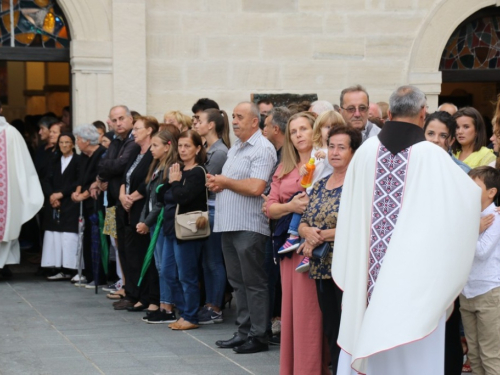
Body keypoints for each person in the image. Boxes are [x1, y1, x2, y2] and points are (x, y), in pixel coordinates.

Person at [333, 85, 481, 375]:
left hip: (367, 279)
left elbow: (349, 216)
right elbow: (468, 201)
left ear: (389, 113)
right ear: (423, 113)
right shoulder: (434, 157)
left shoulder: (364, 154)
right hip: (417, 281)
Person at [208, 101, 276, 354]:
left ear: (254, 122)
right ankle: (244, 331)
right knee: (237, 282)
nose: (234, 121)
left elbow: (256, 187)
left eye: (239, 117)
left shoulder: (262, 148)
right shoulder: (236, 147)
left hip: (249, 225)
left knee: (254, 282)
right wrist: (218, 184)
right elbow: (234, 183)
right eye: (233, 117)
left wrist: (224, 181)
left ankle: (259, 335)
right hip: (229, 224)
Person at [266, 111, 330, 374]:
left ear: (313, 131)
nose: (299, 135)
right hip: (287, 248)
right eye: (294, 131)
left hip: (313, 246)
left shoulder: (324, 162)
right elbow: (269, 208)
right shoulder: (284, 167)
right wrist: (289, 205)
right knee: (291, 311)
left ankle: (311, 367)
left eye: (304, 129)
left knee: (309, 312)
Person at [298, 124, 362, 373]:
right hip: (320, 265)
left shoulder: (358, 184)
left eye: (341, 147)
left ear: (353, 152)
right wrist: (307, 232)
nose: (334, 152)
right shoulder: (322, 182)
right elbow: (305, 219)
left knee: (348, 327)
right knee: (331, 327)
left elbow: (360, 223)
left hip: (346, 266)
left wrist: (324, 235)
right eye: (331, 146)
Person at [423, 111, 470, 375]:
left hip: (447, 261)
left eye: (443, 136)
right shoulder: (409, 169)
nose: (436, 141)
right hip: (418, 260)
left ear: (451, 140)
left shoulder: (462, 173)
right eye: (431, 133)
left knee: (448, 326)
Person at [279, 110, 345, 272]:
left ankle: (306, 250)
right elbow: (312, 165)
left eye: (334, 126)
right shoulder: (316, 149)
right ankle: (294, 236)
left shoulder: (331, 151)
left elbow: (334, 165)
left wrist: (328, 155)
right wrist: (304, 170)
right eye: (326, 127)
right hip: (313, 190)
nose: (330, 130)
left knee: (317, 223)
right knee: (301, 210)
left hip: (325, 194)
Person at [161, 130, 208, 330]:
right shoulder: (177, 169)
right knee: (167, 272)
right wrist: (173, 184)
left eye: (187, 146)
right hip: (171, 228)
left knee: (187, 276)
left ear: (198, 148)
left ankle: (191, 316)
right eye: (180, 146)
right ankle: (183, 311)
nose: (182, 150)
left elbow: (182, 196)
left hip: (188, 230)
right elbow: (161, 194)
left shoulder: (198, 172)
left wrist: (175, 183)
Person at [112, 116, 158, 311]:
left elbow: (147, 182)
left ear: (149, 131)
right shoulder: (135, 152)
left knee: (139, 254)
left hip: (139, 208)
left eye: (137, 128)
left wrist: (132, 198)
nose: (133, 132)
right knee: (127, 253)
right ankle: (131, 292)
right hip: (125, 207)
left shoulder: (152, 155)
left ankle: (142, 295)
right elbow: (124, 176)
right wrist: (123, 196)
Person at [460, 166, 500, 375]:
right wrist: (473, 229)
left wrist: (468, 232)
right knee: (474, 356)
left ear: (491, 192)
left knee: (490, 355)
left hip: (488, 293)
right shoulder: (469, 218)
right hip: (467, 293)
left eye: (474, 186)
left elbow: (482, 252)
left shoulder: (495, 217)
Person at [193, 108, 230, 325]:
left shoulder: (219, 152)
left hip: (214, 208)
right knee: (207, 260)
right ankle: (209, 303)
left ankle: (215, 306)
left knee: (214, 260)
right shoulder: (209, 149)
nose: (196, 124)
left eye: (200, 121)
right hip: (207, 209)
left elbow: (203, 181)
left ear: (211, 126)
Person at [138, 130, 179, 323]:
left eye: (155, 145)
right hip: (153, 222)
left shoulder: (170, 167)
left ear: (167, 146)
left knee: (164, 266)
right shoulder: (157, 165)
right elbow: (149, 198)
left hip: (161, 222)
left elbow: (161, 202)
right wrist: (143, 220)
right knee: (159, 265)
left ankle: (168, 306)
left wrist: (147, 222)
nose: (151, 149)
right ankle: (163, 304)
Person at [0, 113, 44, 271]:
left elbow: (22, 164)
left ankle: (3, 266)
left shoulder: (10, 132)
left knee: (6, 230)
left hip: (6, 192)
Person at [41, 133, 81, 280]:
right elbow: (46, 179)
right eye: (61, 142)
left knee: (69, 237)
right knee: (55, 237)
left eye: (67, 142)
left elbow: (78, 181)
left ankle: (73, 269)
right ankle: (60, 268)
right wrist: (52, 195)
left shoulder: (78, 160)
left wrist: (61, 194)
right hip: (54, 203)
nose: (64, 145)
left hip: (70, 203)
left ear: (73, 144)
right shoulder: (54, 160)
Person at [71, 124, 107, 286]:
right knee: (86, 239)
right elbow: (81, 177)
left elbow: (97, 179)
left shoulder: (101, 154)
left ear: (86, 141)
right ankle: (89, 274)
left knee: (96, 239)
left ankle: (99, 276)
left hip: (95, 202)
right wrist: (77, 192)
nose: (77, 142)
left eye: (78, 139)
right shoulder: (84, 156)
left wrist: (83, 196)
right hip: (85, 203)